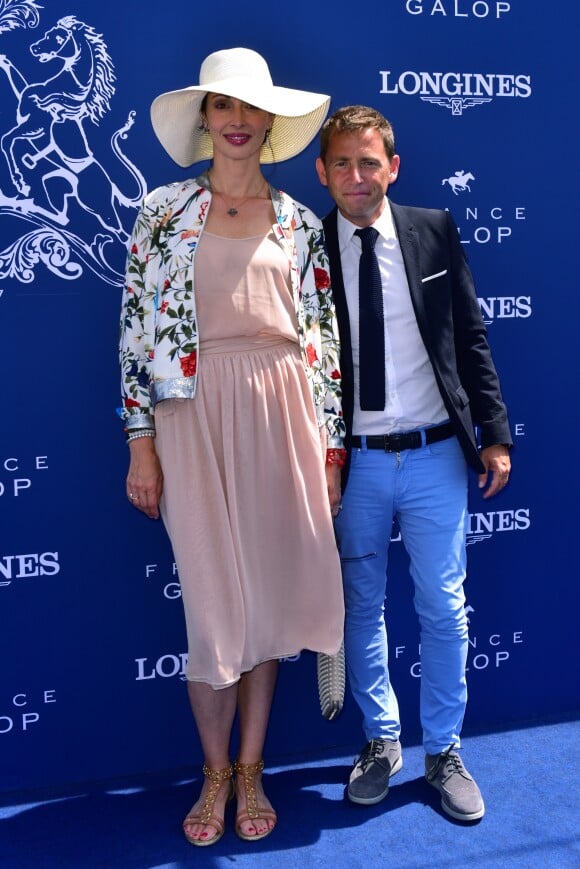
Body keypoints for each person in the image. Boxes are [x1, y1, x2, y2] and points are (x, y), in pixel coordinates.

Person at [119, 48, 346, 847]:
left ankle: (250, 767)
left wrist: (331, 449)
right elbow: (135, 333)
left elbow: (321, 339)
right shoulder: (162, 211)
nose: (239, 121)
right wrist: (140, 441)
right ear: (206, 119)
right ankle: (212, 769)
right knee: (216, 609)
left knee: (268, 604)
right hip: (193, 414)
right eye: (224, 107)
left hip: (284, 411)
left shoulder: (297, 221)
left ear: (271, 122)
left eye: (252, 109)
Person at [315, 105, 512, 822]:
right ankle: (382, 740)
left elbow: (471, 334)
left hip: (434, 453)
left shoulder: (432, 229)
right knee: (362, 606)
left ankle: (445, 750)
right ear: (323, 171)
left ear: (392, 167)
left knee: (444, 607)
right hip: (355, 463)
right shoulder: (308, 245)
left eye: (370, 162)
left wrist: (494, 433)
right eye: (343, 163)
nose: (358, 176)